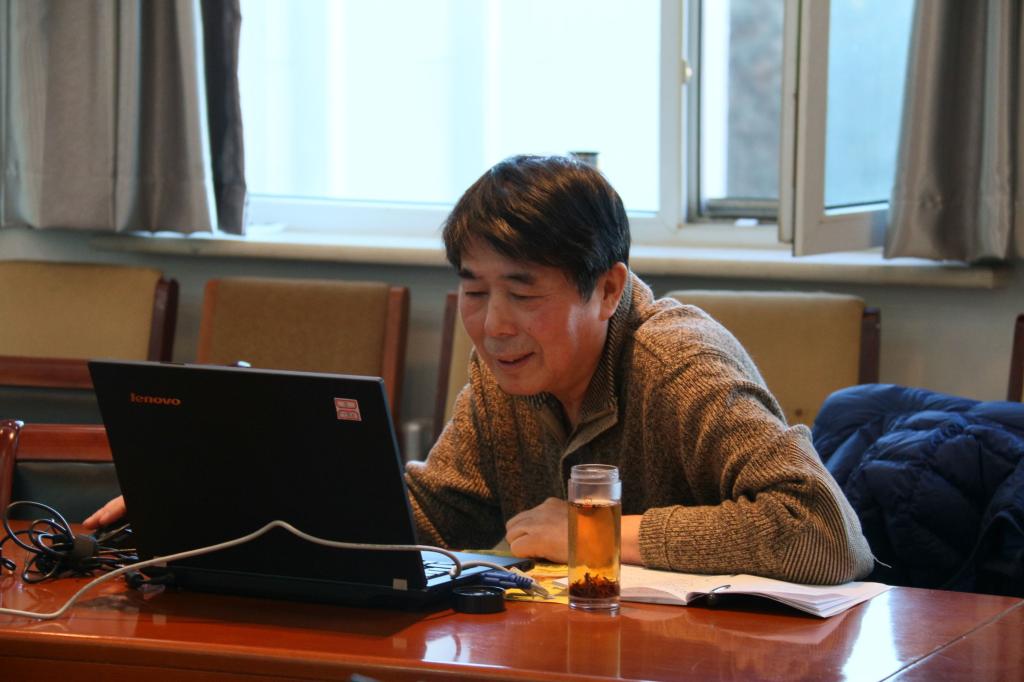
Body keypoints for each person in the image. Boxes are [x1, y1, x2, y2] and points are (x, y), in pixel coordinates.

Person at [87, 154, 873, 584]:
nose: (494, 326)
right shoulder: (505, 370)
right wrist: (224, 501)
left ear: (608, 289)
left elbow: (826, 535)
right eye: (473, 291)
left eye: (523, 293)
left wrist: (595, 532)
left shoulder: (677, 361)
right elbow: (438, 515)